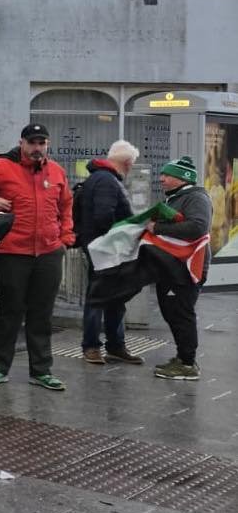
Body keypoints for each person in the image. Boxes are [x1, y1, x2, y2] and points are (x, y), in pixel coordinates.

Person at [0, 123, 72, 391]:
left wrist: (65, 238)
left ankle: (42, 370)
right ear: (22, 143)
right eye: (32, 143)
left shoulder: (56, 171)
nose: (37, 148)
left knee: (42, 313)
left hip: (48, 252)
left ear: (47, 145)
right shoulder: (1, 166)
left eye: (42, 143)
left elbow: (66, 204)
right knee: (10, 311)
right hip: (13, 251)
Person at [74, 141, 143, 366]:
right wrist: (123, 235)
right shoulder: (106, 180)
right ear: (127, 163)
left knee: (114, 297)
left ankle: (115, 345)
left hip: (101, 248)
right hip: (105, 251)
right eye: (132, 164)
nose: (131, 168)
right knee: (99, 297)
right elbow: (104, 217)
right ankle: (93, 346)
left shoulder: (99, 177)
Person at [153, 155, 212, 380]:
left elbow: (197, 227)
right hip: (171, 267)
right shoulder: (176, 198)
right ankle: (182, 356)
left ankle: (187, 364)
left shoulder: (196, 198)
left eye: (167, 175)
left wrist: (157, 227)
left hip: (186, 268)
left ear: (181, 178)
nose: (162, 179)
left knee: (181, 314)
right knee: (172, 312)